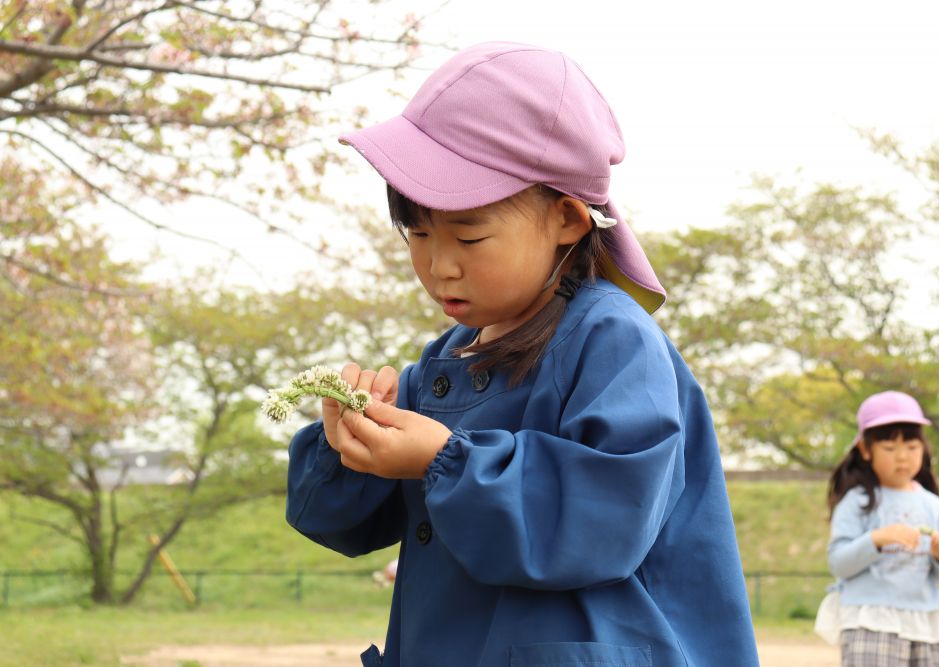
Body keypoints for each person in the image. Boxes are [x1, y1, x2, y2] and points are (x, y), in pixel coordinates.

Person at [285, 41, 758, 666]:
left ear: (567, 218)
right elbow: (339, 523)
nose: (438, 265)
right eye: (418, 233)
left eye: (470, 235)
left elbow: (603, 520)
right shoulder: (444, 361)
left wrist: (442, 461)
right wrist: (350, 445)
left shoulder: (614, 341)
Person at [815, 390, 939, 666]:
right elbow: (839, 564)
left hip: (925, 622)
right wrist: (877, 539)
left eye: (912, 447)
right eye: (890, 449)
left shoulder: (935, 506)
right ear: (866, 450)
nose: (903, 457)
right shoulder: (857, 503)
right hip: (871, 621)